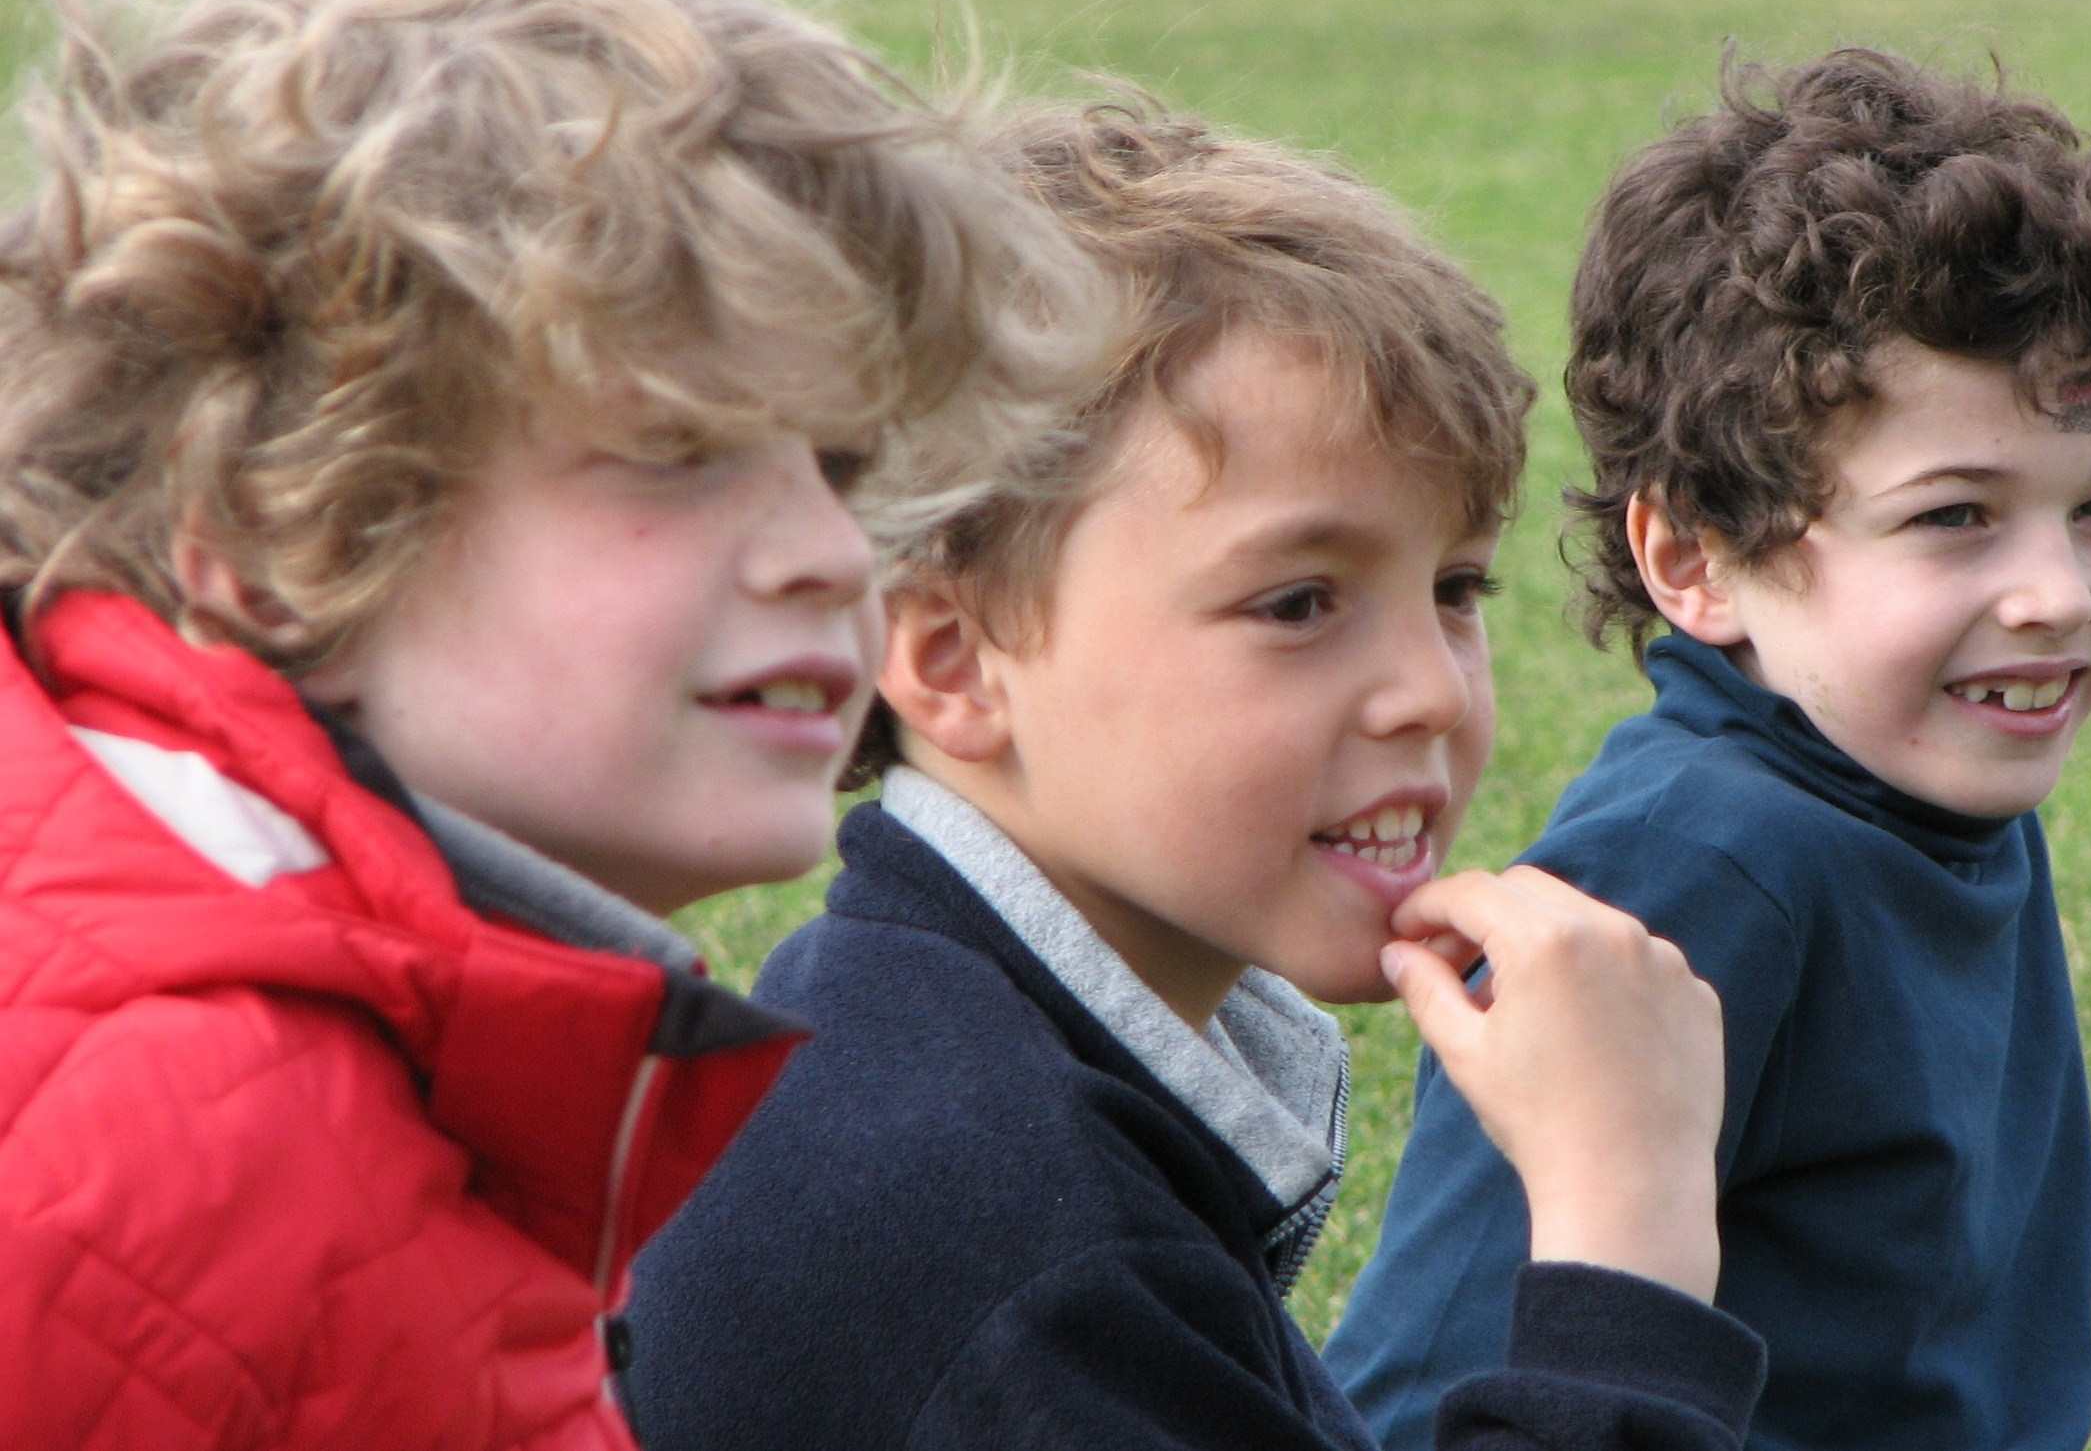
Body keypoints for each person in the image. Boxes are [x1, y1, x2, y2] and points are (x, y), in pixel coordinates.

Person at [0, 0, 1105, 1451]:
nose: (826, 552)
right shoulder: (200, 1157)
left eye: (840, 462)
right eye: (675, 452)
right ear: (279, 531)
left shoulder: (247, 977)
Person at [621, 96, 1768, 1451]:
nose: (1431, 689)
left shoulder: (903, 1029)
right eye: (1297, 603)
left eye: (1456, 588)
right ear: (953, 663)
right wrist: (1625, 1237)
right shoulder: (1010, 1237)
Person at [1325, 47, 2091, 1451]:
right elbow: (1427, 1394)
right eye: (1954, 516)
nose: (2058, 594)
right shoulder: (1688, 872)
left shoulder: (1929, 795)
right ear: (1696, 558)